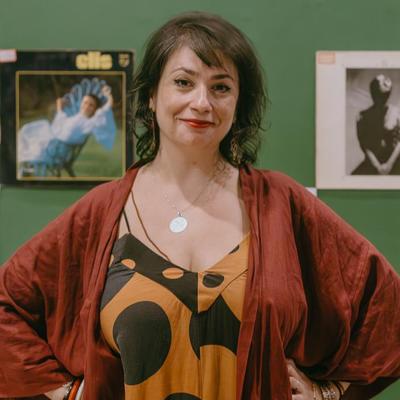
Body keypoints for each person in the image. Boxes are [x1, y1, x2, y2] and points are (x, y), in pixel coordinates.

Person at [0, 11, 399, 400]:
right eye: (183, 82)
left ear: (238, 103)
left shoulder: (282, 203)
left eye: (221, 87)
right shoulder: (102, 211)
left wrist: (327, 393)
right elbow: (7, 306)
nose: (202, 102)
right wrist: (66, 391)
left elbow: (387, 311)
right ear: (152, 95)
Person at [18, 82, 116, 178]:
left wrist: (108, 95)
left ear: (95, 109)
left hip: (56, 153)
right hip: (52, 146)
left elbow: (106, 109)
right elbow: (60, 123)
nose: (87, 106)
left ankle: (26, 169)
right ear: (81, 103)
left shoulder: (90, 122)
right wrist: (59, 107)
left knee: (33, 137)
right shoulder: (75, 117)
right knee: (28, 130)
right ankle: (26, 170)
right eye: (85, 102)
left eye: (91, 105)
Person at [352, 74, 400, 175]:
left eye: (384, 96)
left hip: (396, 162)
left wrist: (389, 165)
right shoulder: (363, 116)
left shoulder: (397, 113)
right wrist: (378, 167)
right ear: (373, 93)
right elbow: (365, 145)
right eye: (377, 94)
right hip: (373, 164)